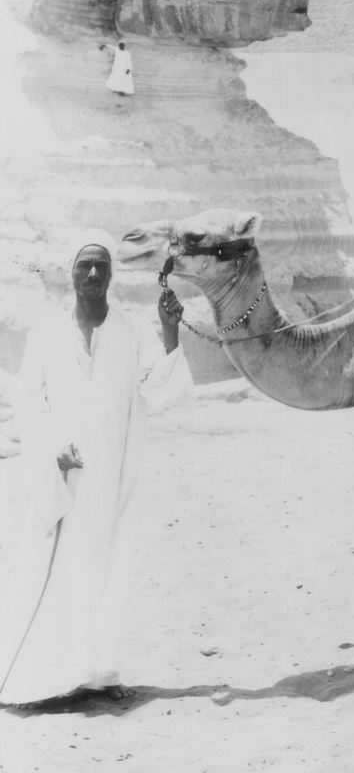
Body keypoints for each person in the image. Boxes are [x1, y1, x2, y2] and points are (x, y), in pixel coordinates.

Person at [0, 230, 191, 709]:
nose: (91, 273)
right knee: (62, 567)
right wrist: (51, 448)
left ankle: (101, 675)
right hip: (66, 474)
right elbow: (27, 403)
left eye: (100, 266)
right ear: (71, 272)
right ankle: (46, 678)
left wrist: (170, 331)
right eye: (84, 265)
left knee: (111, 567)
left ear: (110, 274)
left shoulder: (130, 331)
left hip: (115, 473)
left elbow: (160, 388)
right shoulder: (46, 333)